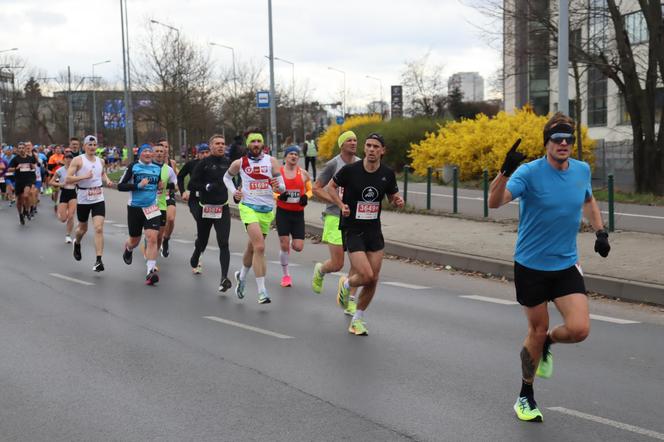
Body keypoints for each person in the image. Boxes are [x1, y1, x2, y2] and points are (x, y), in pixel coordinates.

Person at [487, 112, 611, 423]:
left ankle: (549, 343)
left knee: (580, 329)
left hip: (566, 263)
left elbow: (588, 201)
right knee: (536, 329)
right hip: (531, 266)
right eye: (557, 139)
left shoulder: (581, 170)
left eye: (569, 138)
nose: (564, 143)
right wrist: (505, 171)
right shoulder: (528, 173)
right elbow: (494, 202)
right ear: (547, 143)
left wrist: (600, 231)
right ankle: (525, 395)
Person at [325, 133, 404, 336]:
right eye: (368, 145)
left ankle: (357, 320)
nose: (370, 149)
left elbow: (391, 194)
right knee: (366, 275)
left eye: (375, 146)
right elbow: (330, 188)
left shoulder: (387, 173)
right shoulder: (350, 171)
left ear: (382, 151)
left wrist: (397, 200)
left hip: (373, 230)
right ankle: (348, 282)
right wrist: (341, 205)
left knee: (374, 278)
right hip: (353, 229)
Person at [223, 132, 285, 304]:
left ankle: (241, 277)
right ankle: (262, 291)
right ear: (248, 145)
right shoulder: (240, 163)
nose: (256, 144)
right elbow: (226, 177)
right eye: (253, 142)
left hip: (266, 210)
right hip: (248, 207)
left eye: (259, 141)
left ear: (263, 144)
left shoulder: (271, 161)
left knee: (252, 248)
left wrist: (277, 186)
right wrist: (234, 191)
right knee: (259, 247)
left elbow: (283, 188)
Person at [311, 131, 361, 314]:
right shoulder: (333, 164)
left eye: (355, 140)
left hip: (356, 218)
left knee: (357, 262)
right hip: (334, 216)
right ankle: (321, 270)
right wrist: (335, 201)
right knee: (338, 263)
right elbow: (315, 188)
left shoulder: (361, 163)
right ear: (342, 144)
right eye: (349, 140)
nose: (353, 142)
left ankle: (350, 300)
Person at [188, 134, 233, 292]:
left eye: (223, 143)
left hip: (223, 208)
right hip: (206, 207)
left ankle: (224, 278)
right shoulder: (203, 164)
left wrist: (238, 191)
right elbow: (192, 183)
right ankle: (196, 253)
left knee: (224, 242)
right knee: (203, 241)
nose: (221, 146)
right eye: (217, 144)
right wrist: (206, 186)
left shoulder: (228, 163)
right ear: (211, 146)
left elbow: (237, 179)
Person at [66, 135, 114, 272]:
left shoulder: (101, 161)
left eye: (94, 145)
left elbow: (102, 173)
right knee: (83, 229)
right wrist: (83, 177)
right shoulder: (78, 160)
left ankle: (99, 261)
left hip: (98, 197)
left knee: (98, 228)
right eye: (89, 145)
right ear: (84, 146)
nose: (92, 147)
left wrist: (108, 180)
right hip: (83, 198)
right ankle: (77, 242)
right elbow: (68, 178)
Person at [118, 144, 163, 285]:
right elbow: (120, 186)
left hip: (151, 208)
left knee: (152, 238)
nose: (148, 154)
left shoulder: (157, 168)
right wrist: (138, 186)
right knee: (135, 240)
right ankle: (128, 248)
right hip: (135, 208)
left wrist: (160, 185)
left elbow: (158, 184)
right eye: (145, 151)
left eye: (150, 151)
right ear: (140, 154)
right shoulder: (133, 167)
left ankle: (150, 271)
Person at [274, 145, 312, 287]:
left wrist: (306, 197)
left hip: (297, 214)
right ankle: (286, 276)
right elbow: (271, 191)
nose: (294, 156)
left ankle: (288, 244)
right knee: (284, 243)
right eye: (291, 154)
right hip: (283, 213)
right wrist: (279, 196)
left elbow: (310, 190)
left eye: (296, 154)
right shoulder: (279, 174)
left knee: (298, 247)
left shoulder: (303, 173)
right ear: (286, 157)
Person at [152, 143, 178, 259]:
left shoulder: (171, 165)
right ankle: (151, 258)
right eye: (157, 150)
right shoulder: (149, 165)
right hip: (153, 200)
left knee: (171, 219)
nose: (160, 152)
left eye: (164, 148)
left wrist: (171, 185)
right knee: (152, 231)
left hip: (167, 196)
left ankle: (166, 240)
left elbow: (176, 182)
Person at [50, 152, 77, 243]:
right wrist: (60, 184)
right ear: (64, 160)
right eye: (67, 158)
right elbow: (51, 182)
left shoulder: (76, 170)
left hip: (73, 193)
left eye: (70, 158)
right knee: (63, 219)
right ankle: (59, 209)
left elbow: (81, 180)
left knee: (71, 216)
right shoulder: (60, 170)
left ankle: (68, 235)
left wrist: (76, 182)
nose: (69, 160)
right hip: (64, 193)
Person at [7, 142, 36, 225]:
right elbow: (9, 170)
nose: (21, 149)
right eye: (19, 148)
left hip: (28, 179)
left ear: (25, 148)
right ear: (18, 149)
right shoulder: (15, 159)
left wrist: (32, 166)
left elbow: (34, 167)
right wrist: (16, 168)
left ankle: (26, 210)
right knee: (19, 200)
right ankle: (20, 214)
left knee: (26, 195)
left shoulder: (30, 158)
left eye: (22, 148)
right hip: (19, 180)